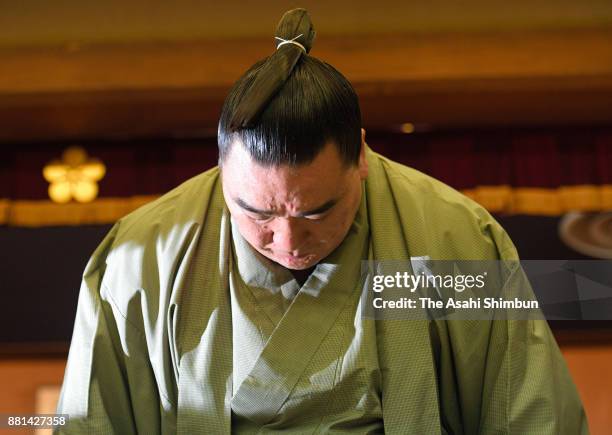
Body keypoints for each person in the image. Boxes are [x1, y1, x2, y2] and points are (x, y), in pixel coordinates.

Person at [55, 8, 588, 434]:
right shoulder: (139, 257)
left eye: (317, 211)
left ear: (360, 157)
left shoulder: (455, 239)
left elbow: (532, 415)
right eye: (256, 213)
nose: (288, 241)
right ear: (221, 169)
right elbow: (89, 422)